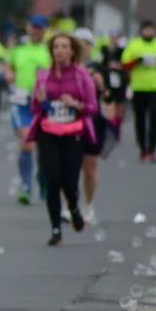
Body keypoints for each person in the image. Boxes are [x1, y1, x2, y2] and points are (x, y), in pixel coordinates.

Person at [26, 32, 99, 246]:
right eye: (56, 47)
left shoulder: (81, 76)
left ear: (72, 50)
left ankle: (74, 208)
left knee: (69, 182)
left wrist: (75, 104)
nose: (59, 50)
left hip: (73, 133)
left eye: (64, 46)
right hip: (48, 133)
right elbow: (34, 108)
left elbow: (92, 108)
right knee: (52, 180)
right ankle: (56, 229)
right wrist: (39, 101)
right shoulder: (42, 76)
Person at [5, 15, 52, 204]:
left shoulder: (50, 51)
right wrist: (9, 76)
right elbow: (9, 67)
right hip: (21, 102)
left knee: (42, 147)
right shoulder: (18, 50)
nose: (36, 31)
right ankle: (25, 185)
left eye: (40, 28)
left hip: (43, 103)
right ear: (28, 28)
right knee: (26, 143)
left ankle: (43, 180)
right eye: (33, 27)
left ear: (45, 30)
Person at [121, 20, 156, 163]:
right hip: (138, 87)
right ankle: (142, 148)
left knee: (154, 117)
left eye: (151, 30)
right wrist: (137, 60)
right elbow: (124, 62)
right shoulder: (134, 44)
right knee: (139, 119)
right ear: (142, 31)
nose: (149, 32)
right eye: (146, 30)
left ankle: (152, 148)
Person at [74, 28, 112, 225]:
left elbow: (110, 96)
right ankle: (70, 206)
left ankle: (88, 205)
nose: (82, 47)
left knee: (89, 168)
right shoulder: (63, 68)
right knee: (69, 166)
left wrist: (102, 86)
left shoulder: (99, 68)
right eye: (78, 43)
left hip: (92, 121)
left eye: (86, 43)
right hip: (69, 121)